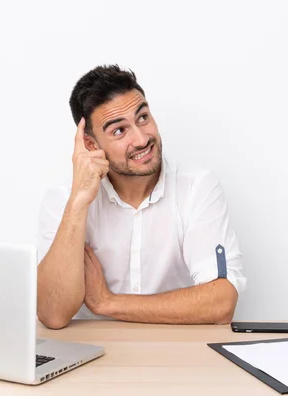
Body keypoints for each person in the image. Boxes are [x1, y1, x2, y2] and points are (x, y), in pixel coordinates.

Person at [37, 65, 246, 329]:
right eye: (119, 131)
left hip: (178, 355)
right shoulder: (62, 200)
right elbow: (52, 315)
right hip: (93, 358)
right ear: (91, 146)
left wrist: (107, 302)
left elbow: (220, 304)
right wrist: (79, 202)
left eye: (143, 117)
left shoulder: (197, 188)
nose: (141, 139)